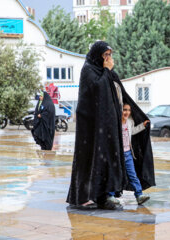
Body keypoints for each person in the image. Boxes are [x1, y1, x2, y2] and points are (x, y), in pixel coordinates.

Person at [66, 41, 155, 210]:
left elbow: (120, 93)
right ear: (97, 55)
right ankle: (86, 196)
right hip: (92, 129)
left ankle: (106, 195)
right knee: (91, 161)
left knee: (109, 160)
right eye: (105, 55)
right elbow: (96, 90)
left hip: (109, 127)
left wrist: (137, 116)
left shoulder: (106, 72)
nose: (108, 59)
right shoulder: (89, 70)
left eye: (110, 55)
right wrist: (107, 71)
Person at [108, 103, 151, 205]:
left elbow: (133, 131)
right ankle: (110, 195)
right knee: (116, 174)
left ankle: (139, 195)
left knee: (133, 175)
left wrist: (142, 126)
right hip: (117, 155)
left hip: (128, 154)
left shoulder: (130, 122)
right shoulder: (116, 123)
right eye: (124, 110)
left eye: (129, 110)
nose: (127, 112)